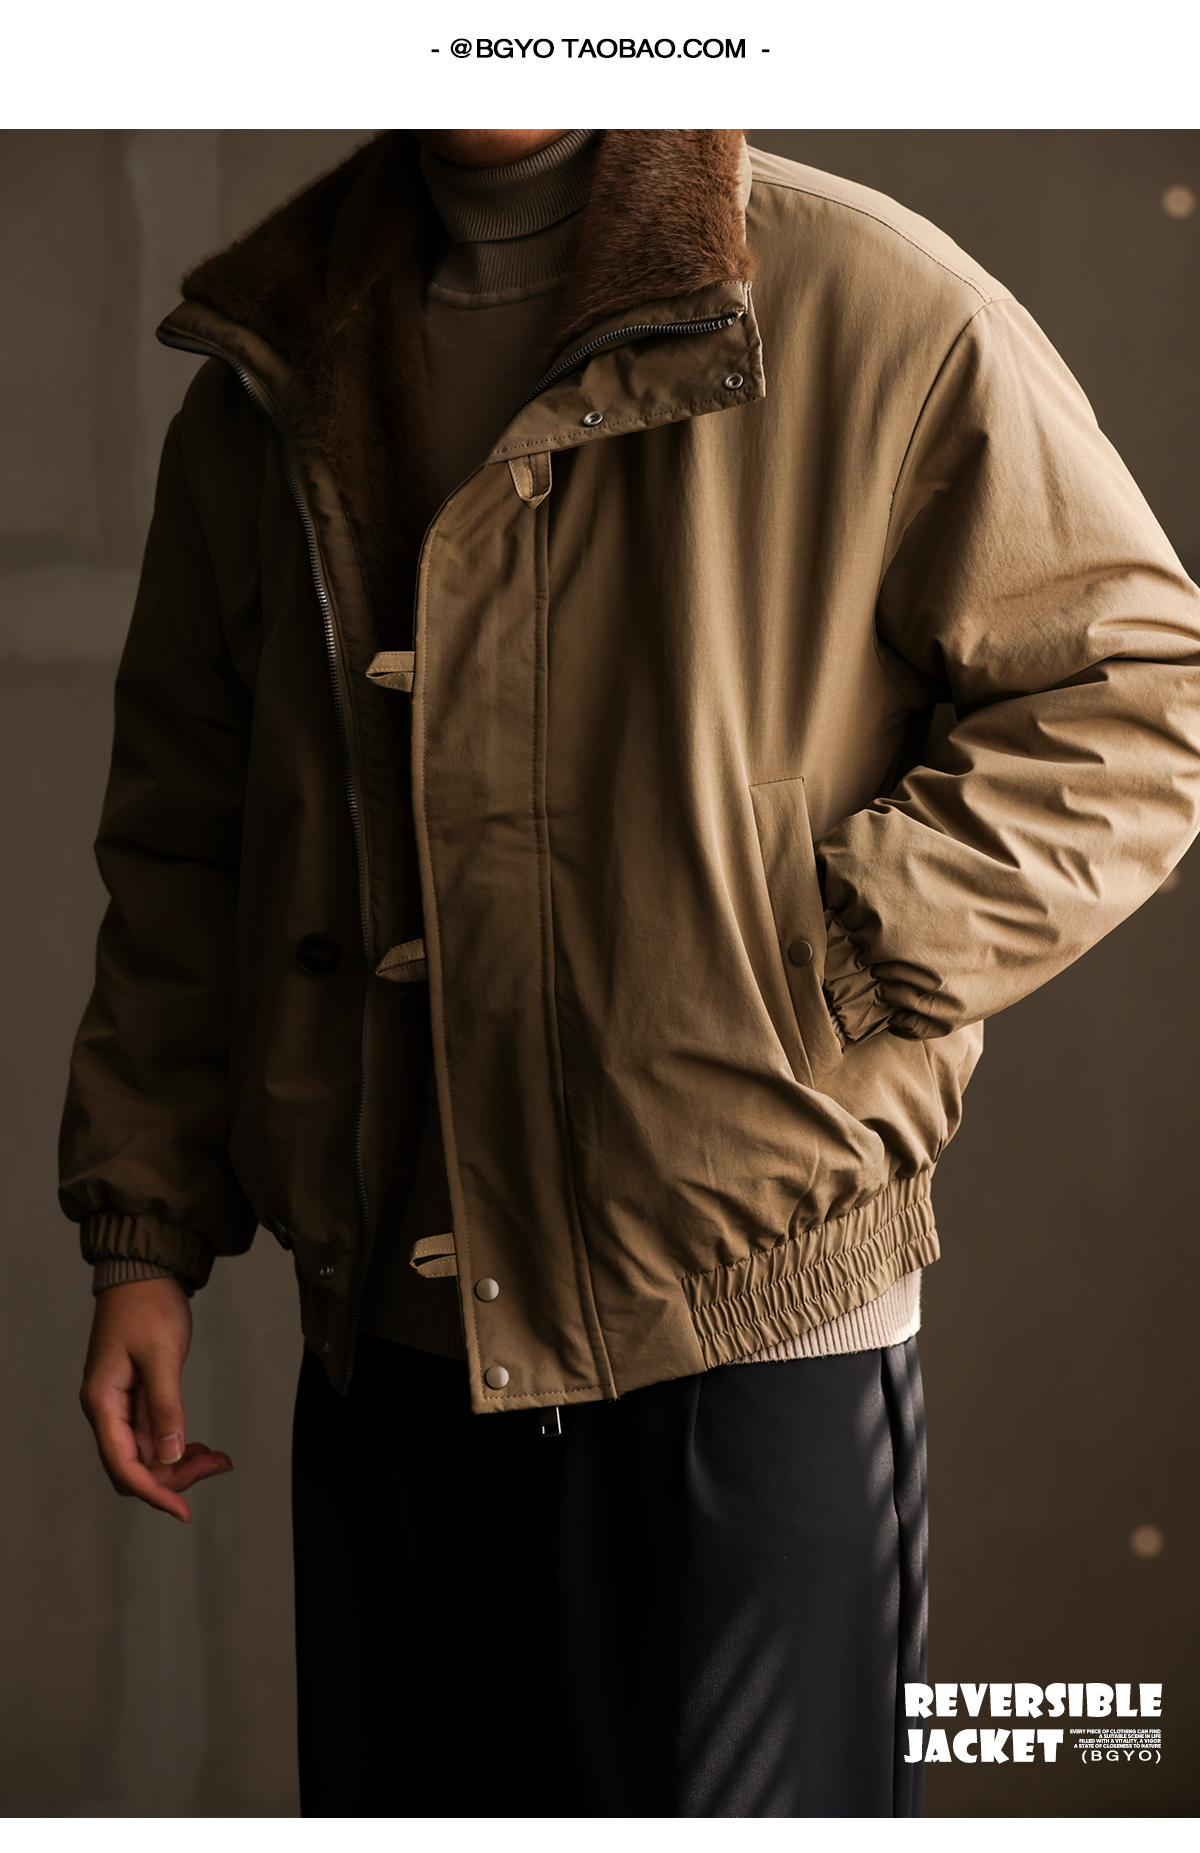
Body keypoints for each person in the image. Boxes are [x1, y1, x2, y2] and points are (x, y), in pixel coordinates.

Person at [63, 129, 1200, 1817]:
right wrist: (143, 1236)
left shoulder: (863, 298)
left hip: (743, 1346)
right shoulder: (267, 361)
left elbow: (1139, 699)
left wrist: (824, 962)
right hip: (388, 1369)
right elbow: (189, 840)